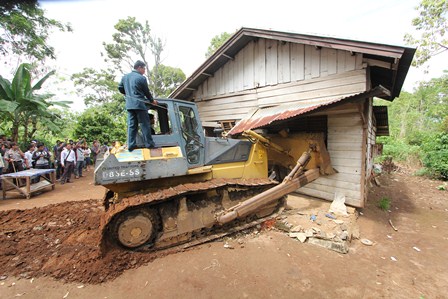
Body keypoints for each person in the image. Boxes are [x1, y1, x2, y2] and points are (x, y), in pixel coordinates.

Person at [118, 60, 158, 151]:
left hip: (129, 105)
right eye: (144, 69)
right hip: (139, 104)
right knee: (145, 124)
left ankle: (131, 145)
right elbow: (146, 92)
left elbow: (120, 88)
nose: (144, 71)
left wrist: (127, 94)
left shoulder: (125, 77)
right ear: (139, 67)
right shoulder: (141, 78)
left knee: (132, 125)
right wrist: (152, 101)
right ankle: (149, 144)